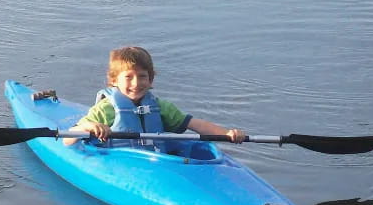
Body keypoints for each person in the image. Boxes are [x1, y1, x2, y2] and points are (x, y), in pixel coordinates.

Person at [63, 46, 246, 146]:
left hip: (155, 163)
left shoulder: (161, 108)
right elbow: (67, 140)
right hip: (116, 160)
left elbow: (195, 124)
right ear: (114, 81)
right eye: (128, 77)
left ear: (151, 80)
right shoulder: (105, 109)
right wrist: (90, 126)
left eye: (143, 76)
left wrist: (227, 134)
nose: (136, 83)